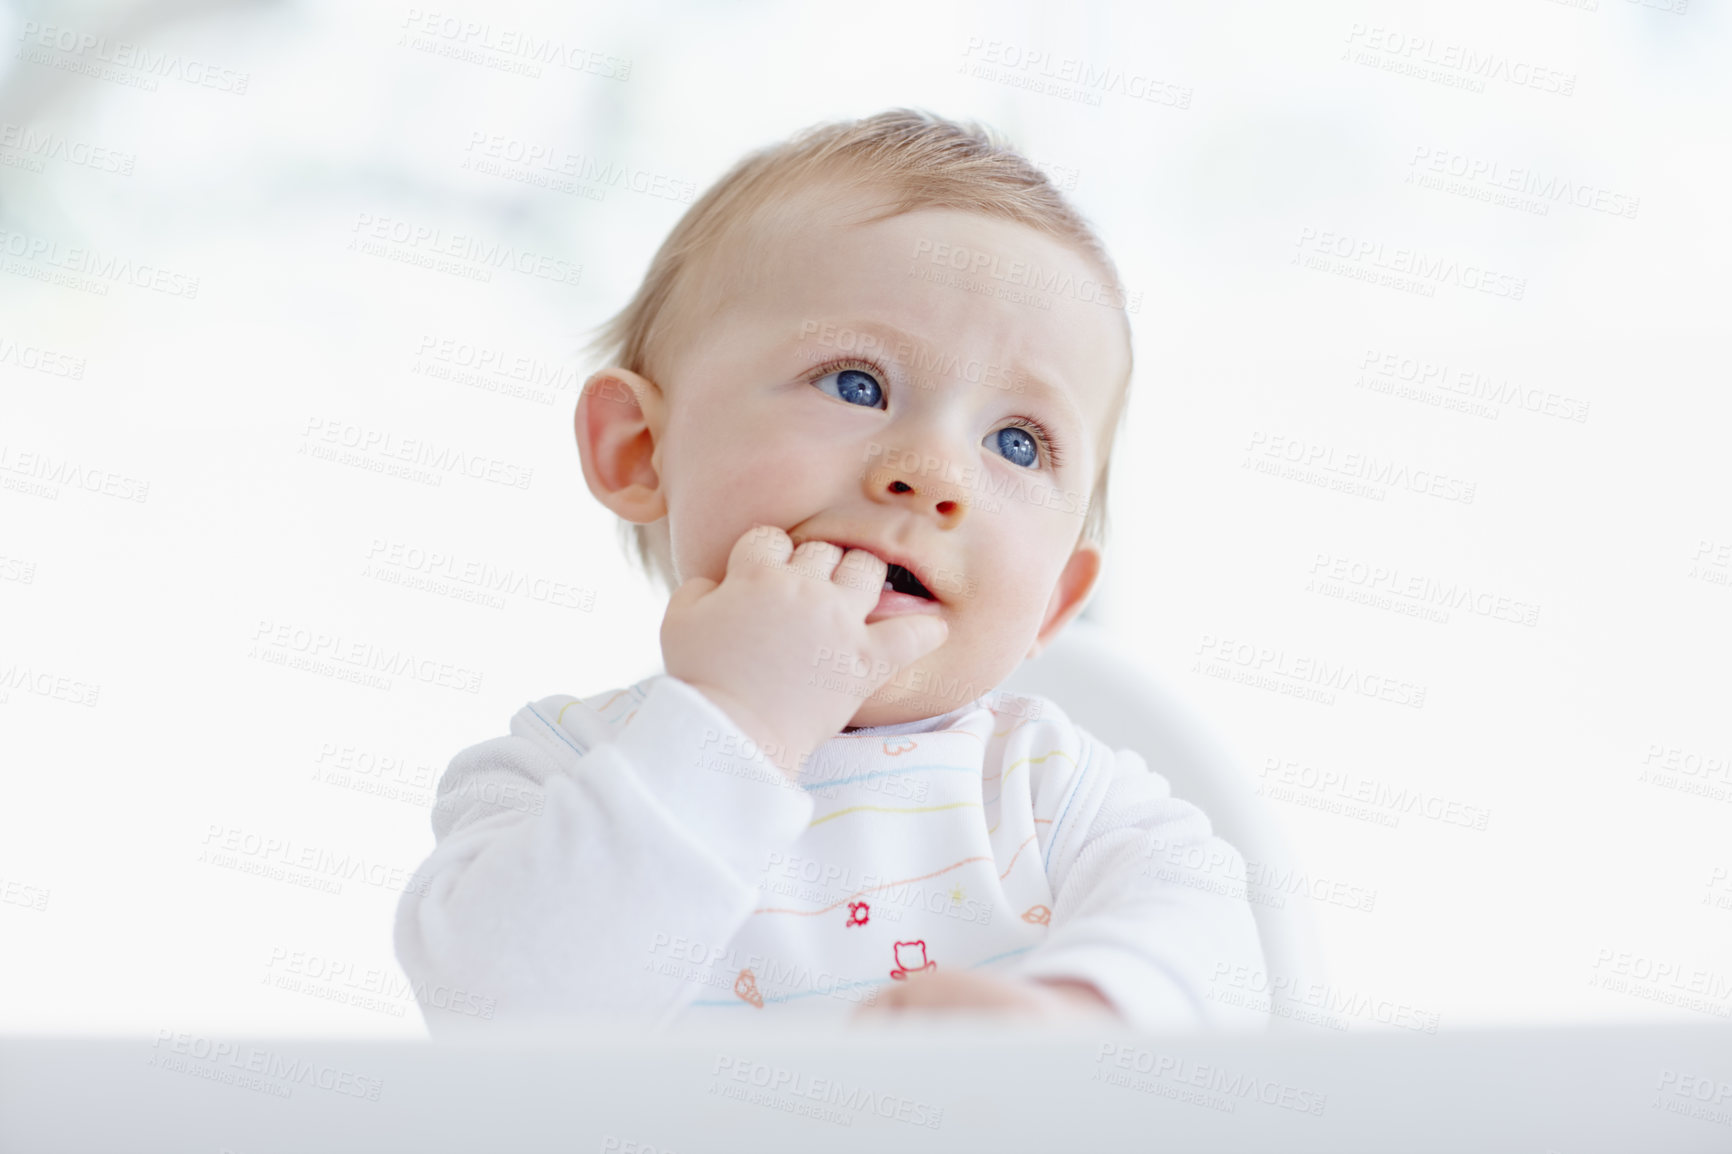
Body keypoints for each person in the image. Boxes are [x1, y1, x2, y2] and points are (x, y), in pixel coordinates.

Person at [394, 108, 1264, 1036]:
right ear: (642, 450)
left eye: (1017, 441)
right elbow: (497, 1013)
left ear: (1054, 601)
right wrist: (741, 720)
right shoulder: (558, 774)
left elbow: (1221, 968)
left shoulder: (1065, 799)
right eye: (858, 383)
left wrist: (1069, 1021)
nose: (934, 472)